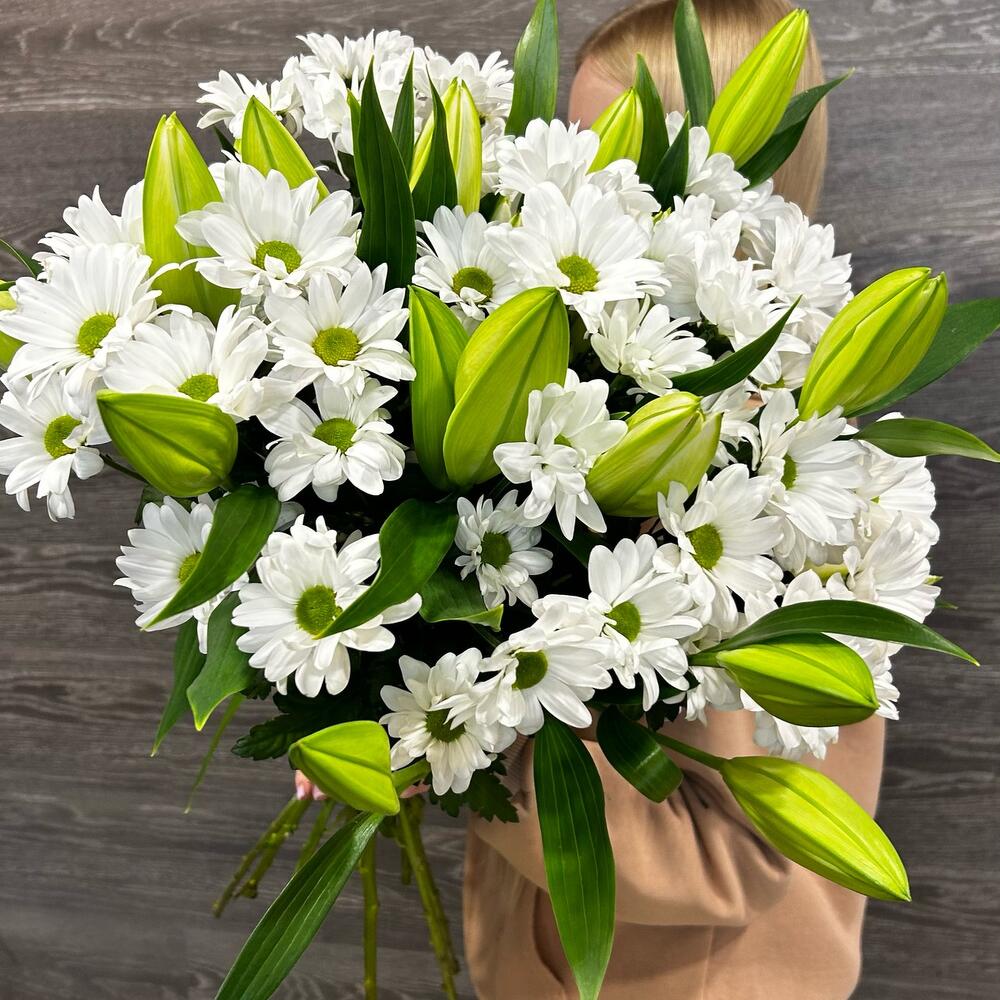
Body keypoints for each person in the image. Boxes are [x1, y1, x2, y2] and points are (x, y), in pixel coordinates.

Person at [462, 3, 885, 998]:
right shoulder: (598, 388)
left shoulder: (798, 485)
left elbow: (727, 856)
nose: (579, 195)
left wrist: (458, 753)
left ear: (739, 175)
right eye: (575, 152)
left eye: (622, 166)